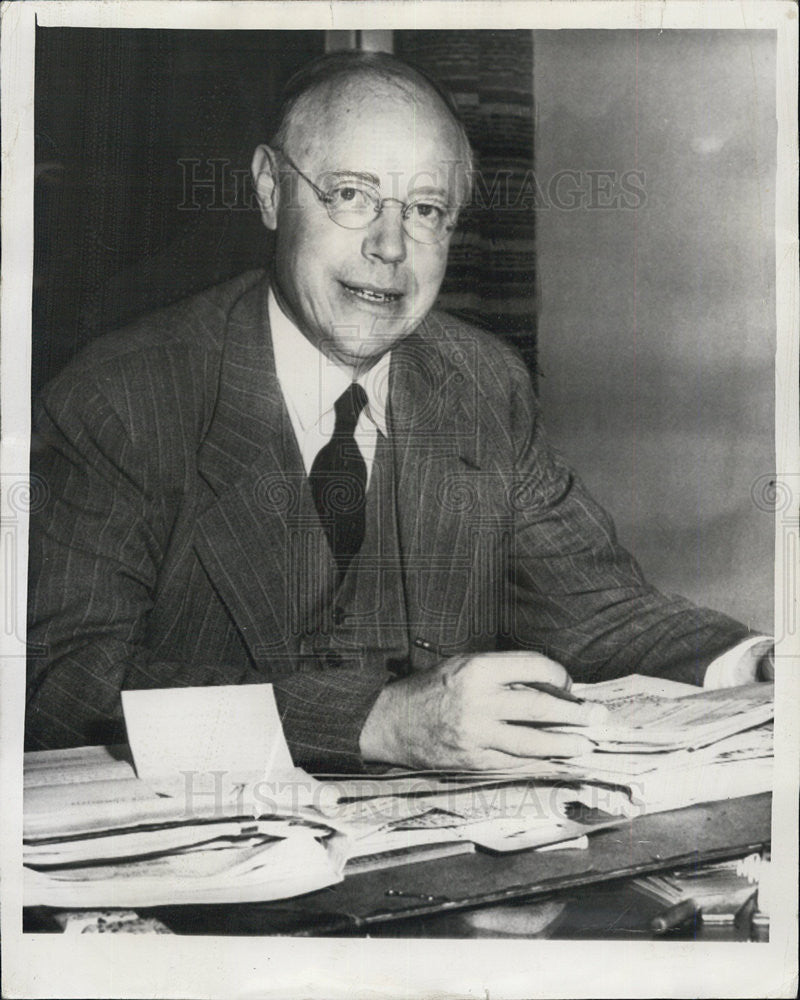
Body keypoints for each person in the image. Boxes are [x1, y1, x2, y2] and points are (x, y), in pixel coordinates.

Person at [26, 51, 772, 771]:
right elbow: (58, 687)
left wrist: (761, 662)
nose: (389, 245)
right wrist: (372, 722)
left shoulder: (483, 385)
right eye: (350, 194)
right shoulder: (124, 396)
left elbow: (599, 611)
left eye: (424, 209)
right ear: (268, 190)